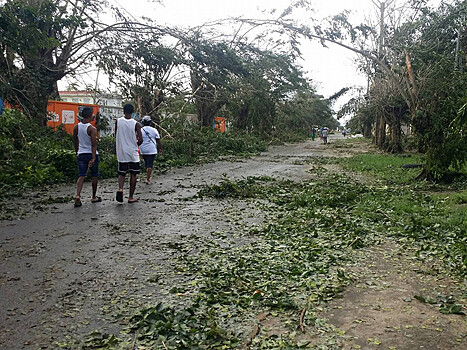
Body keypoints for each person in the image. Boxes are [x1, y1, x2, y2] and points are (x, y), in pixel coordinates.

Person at [72, 107, 101, 207]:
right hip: (91, 153)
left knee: (81, 175)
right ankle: (93, 196)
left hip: (81, 153)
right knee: (94, 175)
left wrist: (77, 152)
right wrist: (93, 157)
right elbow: (94, 144)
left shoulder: (76, 127)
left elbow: (75, 140)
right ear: (90, 116)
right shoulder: (92, 129)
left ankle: (78, 195)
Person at [115, 103, 143, 203]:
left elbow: (116, 134)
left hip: (121, 152)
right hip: (132, 152)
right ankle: (130, 197)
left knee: (122, 173)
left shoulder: (118, 121)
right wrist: (135, 142)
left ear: (124, 111)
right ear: (133, 112)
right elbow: (140, 140)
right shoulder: (136, 124)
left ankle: (121, 189)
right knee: (133, 174)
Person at [139, 115, 163, 184]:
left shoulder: (140, 130)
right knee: (150, 164)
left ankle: (147, 175)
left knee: (146, 163)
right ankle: (148, 179)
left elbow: (137, 138)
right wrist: (160, 148)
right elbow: (158, 140)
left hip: (143, 150)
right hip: (152, 150)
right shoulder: (154, 130)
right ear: (150, 122)